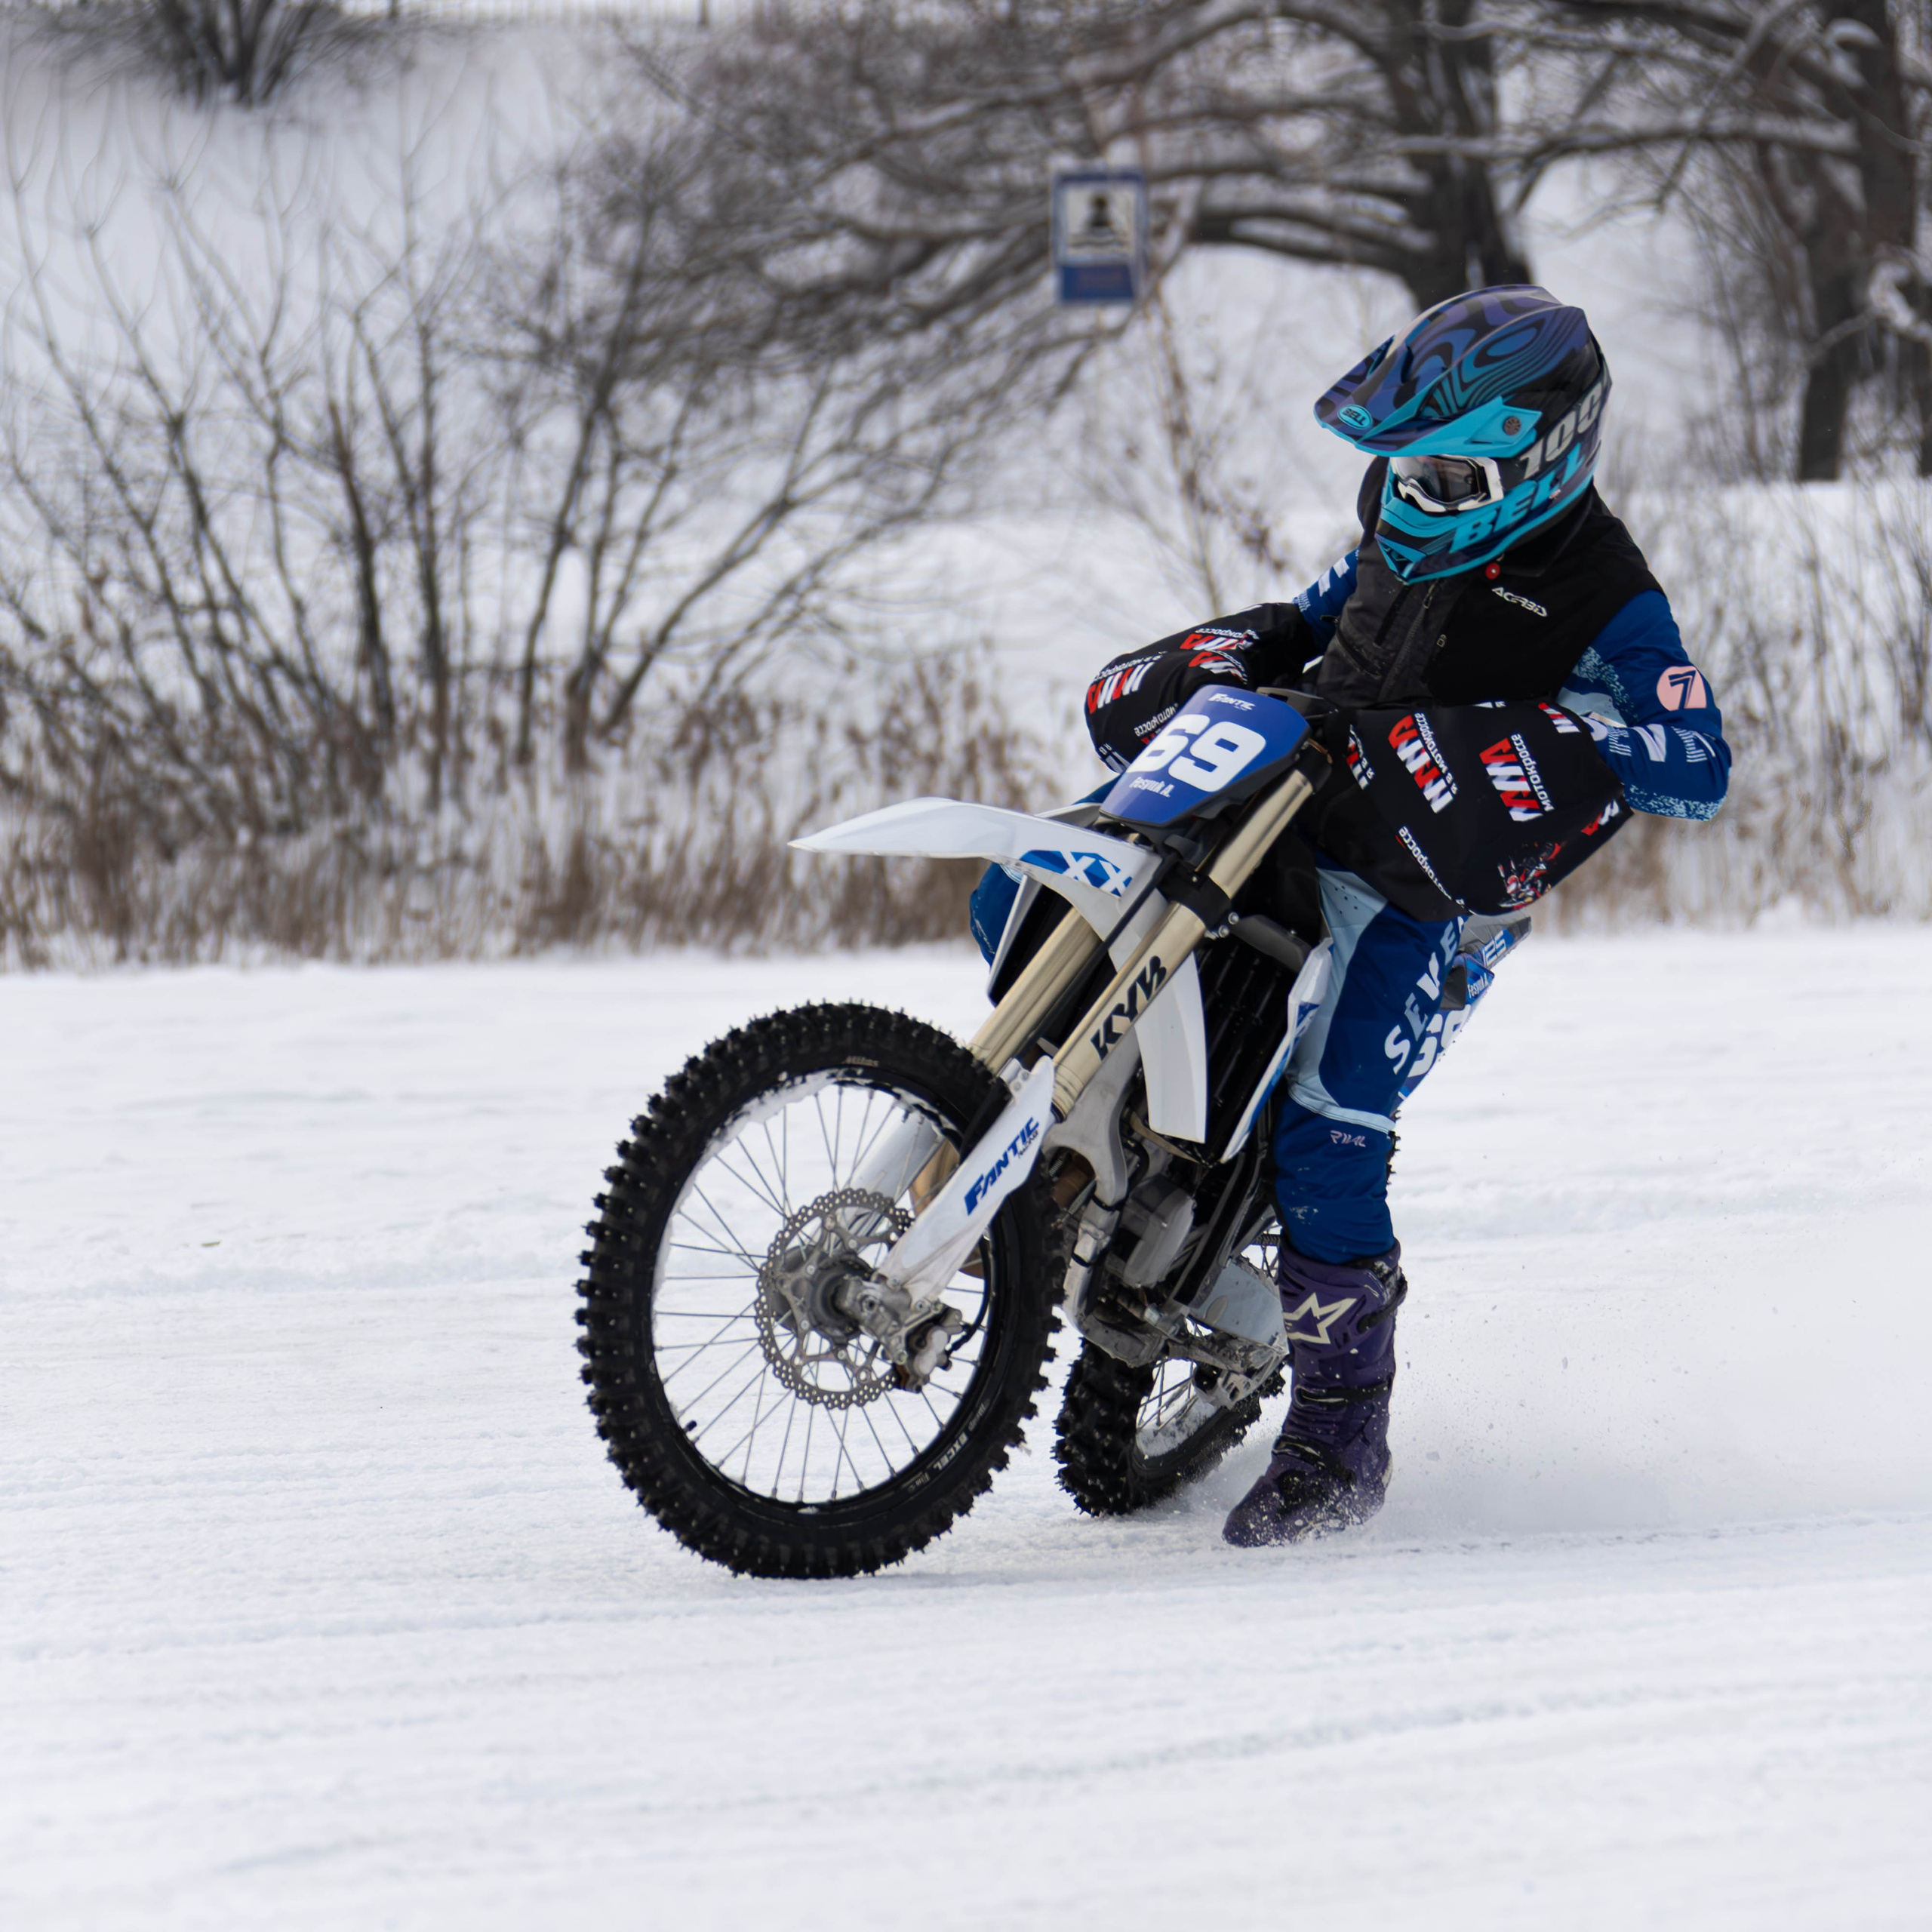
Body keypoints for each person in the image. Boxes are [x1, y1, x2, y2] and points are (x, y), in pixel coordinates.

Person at [998, 285, 1732, 1546]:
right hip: (1294, 808)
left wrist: (1534, 742)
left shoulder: (1607, 590)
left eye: (1445, 476)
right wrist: (1225, 656)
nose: (1414, 497)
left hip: (1430, 883)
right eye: (1399, 471)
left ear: (1542, 456)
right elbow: (1317, 621)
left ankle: (1340, 1444)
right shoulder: (1396, 527)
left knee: (1332, 1139)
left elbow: (1697, 755)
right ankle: (1096, 1152)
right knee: (1043, 880)